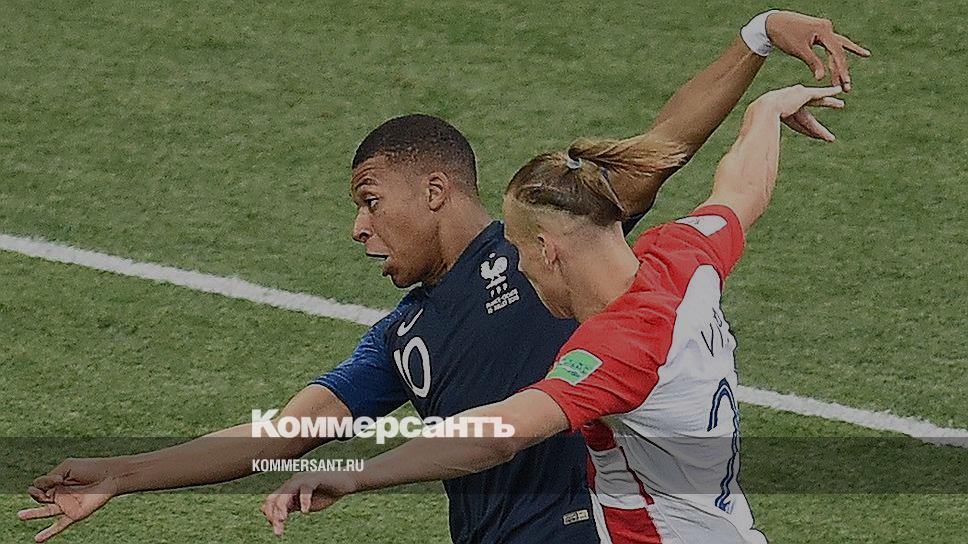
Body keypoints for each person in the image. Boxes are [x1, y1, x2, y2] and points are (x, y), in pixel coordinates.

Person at [18, 11, 868, 544]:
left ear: (436, 191)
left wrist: (363, 474)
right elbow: (282, 432)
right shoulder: (406, 339)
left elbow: (664, 146)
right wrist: (126, 473)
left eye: (369, 199)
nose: (358, 227)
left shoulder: (564, 257)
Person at [261, 83, 847, 543]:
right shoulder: (681, 257)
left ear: (548, 249)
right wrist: (766, 111)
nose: (515, 267)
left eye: (517, 251)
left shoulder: (621, 348)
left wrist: (359, 475)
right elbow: (741, 191)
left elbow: (496, 435)